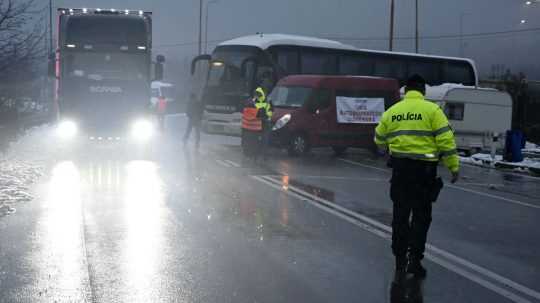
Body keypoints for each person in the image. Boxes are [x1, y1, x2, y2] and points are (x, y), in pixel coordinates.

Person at [374, 75, 460, 282]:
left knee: (400, 216)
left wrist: (389, 149)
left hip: (400, 172)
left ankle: (399, 259)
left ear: (406, 91)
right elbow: (446, 141)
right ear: (423, 91)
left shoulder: (393, 111)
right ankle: (415, 259)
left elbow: (378, 138)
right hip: (424, 173)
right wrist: (453, 167)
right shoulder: (433, 111)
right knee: (421, 217)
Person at [253, 87, 273, 158]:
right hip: (258, 123)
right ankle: (259, 154)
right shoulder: (255, 101)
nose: (256, 96)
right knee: (259, 139)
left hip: (265, 123)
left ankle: (263, 155)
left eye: (256, 95)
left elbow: (270, 112)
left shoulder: (266, 101)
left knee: (264, 139)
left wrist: (266, 116)